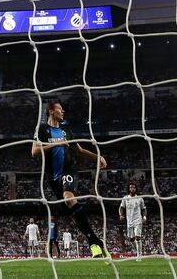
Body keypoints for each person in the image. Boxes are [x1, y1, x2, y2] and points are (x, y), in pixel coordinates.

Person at [32, 101, 108, 258]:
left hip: (69, 169)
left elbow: (79, 150)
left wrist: (98, 157)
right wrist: (56, 144)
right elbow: (34, 151)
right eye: (60, 109)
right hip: (53, 178)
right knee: (71, 210)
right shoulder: (42, 130)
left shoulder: (67, 131)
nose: (63, 111)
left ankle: (93, 243)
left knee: (69, 198)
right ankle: (95, 240)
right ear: (51, 111)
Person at [119, 183, 146, 260]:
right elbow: (121, 207)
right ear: (129, 189)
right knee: (131, 239)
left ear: (136, 189)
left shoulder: (140, 198)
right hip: (129, 221)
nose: (132, 189)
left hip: (138, 220)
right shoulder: (125, 198)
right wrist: (121, 215)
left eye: (134, 187)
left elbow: (144, 208)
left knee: (137, 237)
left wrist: (144, 216)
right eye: (131, 187)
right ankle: (138, 250)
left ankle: (139, 255)